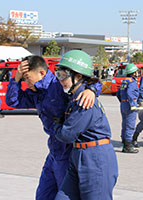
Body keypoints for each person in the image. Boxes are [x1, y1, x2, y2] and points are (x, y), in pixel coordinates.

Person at [6, 55, 102, 200]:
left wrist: (92, 90)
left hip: (68, 151)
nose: (26, 82)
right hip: (54, 151)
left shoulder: (58, 85)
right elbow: (13, 101)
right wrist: (16, 79)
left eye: (27, 77)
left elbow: (87, 82)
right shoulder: (36, 94)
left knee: (66, 195)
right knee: (43, 195)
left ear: (41, 73)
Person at [53, 50, 118, 200]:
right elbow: (96, 82)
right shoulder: (76, 94)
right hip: (78, 155)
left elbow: (67, 134)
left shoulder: (84, 101)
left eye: (63, 75)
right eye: (58, 74)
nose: (60, 80)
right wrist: (93, 88)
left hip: (95, 157)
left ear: (78, 76)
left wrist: (56, 124)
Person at [117, 63, 139, 153]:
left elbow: (118, 93)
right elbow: (130, 93)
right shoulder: (132, 82)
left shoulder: (124, 81)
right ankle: (128, 146)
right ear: (133, 73)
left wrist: (123, 101)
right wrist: (133, 104)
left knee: (125, 124)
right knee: (130, 125)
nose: (138, 73)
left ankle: (124, 141)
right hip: (130, 105)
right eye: (136, 71)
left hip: (123, 103)